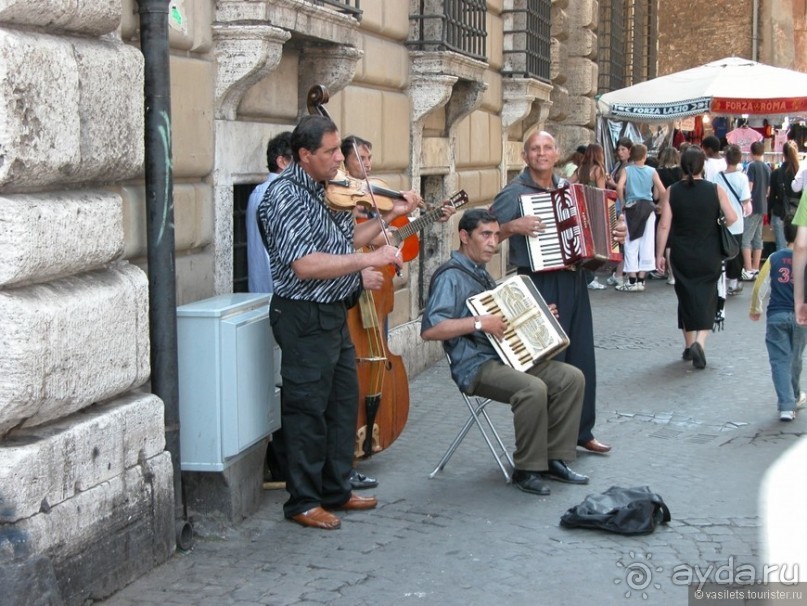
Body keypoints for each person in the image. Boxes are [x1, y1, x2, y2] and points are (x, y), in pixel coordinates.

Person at [257, 114, 419, 530]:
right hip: (302, 313)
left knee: (341, 405)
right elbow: (306, 264)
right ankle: (303, 501)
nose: (340, 160)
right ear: (304, 155)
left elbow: (344, 243)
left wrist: (396, 213)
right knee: (307, 411)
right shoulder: (284, 196)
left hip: (334, 311)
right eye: (331, 152)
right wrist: (371, 259)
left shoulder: (327, 190)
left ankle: (335, 489)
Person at [421, 209, 588, 495]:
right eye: (485, 235)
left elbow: (502, 317)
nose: (493, 242)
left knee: (571, 377)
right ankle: (526, 468)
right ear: (464, 236)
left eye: (496, 235)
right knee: (532, 389)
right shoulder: (450, 276)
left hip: (505, 356)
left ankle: (552, 458)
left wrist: (537, 315)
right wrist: (478, 323)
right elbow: (430, 330)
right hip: (475, 366)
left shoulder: (481, 273)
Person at [490, 131, 627, 455]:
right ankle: (548, 444)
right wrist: (512, 227)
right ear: (525, 156)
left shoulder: (570, 189)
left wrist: (615, 230)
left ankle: (582, 432)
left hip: (575, 279)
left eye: (547, 147)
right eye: (535, 149)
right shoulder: (514, 193)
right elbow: (485, 234)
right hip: (538, 283)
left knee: (581, 357)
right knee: (550, 361)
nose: (541, 153)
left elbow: (598, 234)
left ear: (556, 154)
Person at [656, 146, 737, 369]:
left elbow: (664, 225)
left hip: (681, 253)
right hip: (708, 252)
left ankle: (689, 344)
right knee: (707, 298)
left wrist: (658, 254)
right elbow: (732, 217)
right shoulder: (715, 189)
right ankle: (700, 342)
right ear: (704, 166)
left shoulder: (673, 191)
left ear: (682, 165)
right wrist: (718, 221)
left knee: (685, 297)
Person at [749, 219, 807, 421]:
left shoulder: (774, 257)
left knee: (780, 360)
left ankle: (786, 406)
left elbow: (760, 285)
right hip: (802, 318)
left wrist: (755, 308)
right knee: (796, 358)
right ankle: (796, 394)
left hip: (776, 315)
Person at [615, 143, 666, 292]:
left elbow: (619, 187)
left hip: (632, 207)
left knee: (631, 242)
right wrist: (660, 205)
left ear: (631, 155)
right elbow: (663, 190)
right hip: (648, 208)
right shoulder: (652, 171)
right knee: (647, 242)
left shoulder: (627, 170)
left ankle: (631, 279)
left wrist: (623, 202)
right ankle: (641, 279)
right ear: (645, 156)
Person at [246, 131, 292, 293]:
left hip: (265, 289)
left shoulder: (260, 192)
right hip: (279, 292)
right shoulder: (279, 194)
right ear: (282, 162)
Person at [711, 144, 752, 296]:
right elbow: (746, 200)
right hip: (737, 220)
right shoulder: (742, 177)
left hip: (720, 220)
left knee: (720, 250)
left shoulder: (717, 177)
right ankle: (733, 281)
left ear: (726, 159)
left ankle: (722, 279)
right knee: (735, 251)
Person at [575, 143, 608, 290]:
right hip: (594, 210)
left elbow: (567, 183)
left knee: (584, 244)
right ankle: (590, 278)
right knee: (595, 247)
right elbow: (602, 193)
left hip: (581, 210)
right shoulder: (598, 170)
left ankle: (584, 276)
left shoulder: (581, 169)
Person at [742, 141, 771, 280]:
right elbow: (768, 190)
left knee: (746, 238)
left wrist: (746, 201)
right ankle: (755, 267)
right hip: (763, 205)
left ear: (751, 152)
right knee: (758, 238)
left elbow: (749, 186)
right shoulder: (767, 167)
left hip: (752, 205)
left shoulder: (751, 166)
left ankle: (747, 269)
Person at [654, 147, 683, 285]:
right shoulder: (681, 172)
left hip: (663, 207)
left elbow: (656, 194)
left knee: (667, 241)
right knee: (674, 238)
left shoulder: (658, 173)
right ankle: (674, 272)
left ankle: (670, 273)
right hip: (679, 206)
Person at [768, 140, 801, 250]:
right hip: (800, 215)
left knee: (781, 248)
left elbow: (771, 197)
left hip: (780, 213)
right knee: (800, 248)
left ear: (783, 154)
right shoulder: (802, 173)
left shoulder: (776, 173)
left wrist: (768, 216)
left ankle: (783, 267)